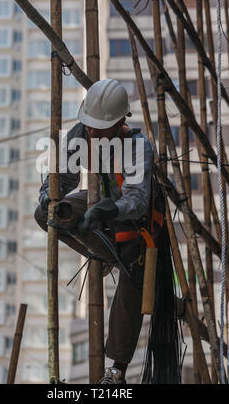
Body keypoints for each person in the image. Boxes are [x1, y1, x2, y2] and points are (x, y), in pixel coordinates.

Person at [34, 79, 181, 384]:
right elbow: (61, 178)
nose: (91, 132)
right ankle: (106, 255)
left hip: (136, 223)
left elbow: (137, 200)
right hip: (99, 207)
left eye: (98, 128)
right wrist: (51, 193)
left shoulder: (139, 147)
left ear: (118, 123)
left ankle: (116, 370)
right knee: (48, 213)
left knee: (132, 281)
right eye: (88, 125)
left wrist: (109, 210)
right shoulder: (80, 135)